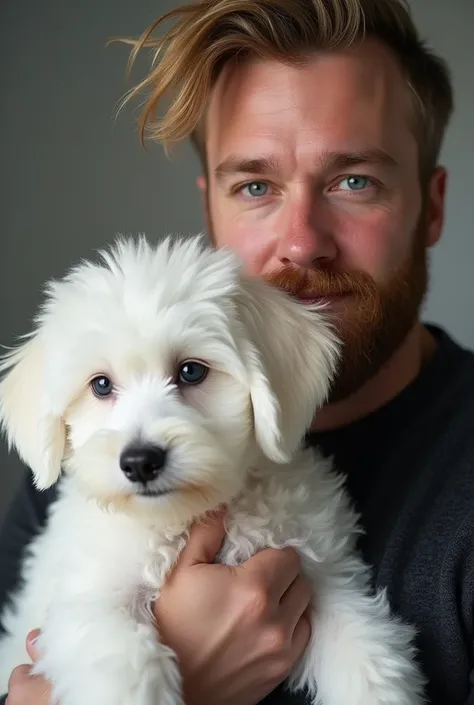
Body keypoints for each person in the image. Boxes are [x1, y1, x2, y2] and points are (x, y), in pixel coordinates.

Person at [1, 0, 474, 703]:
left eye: (354, 181)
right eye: (256, 185)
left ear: (432, 207)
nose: (303, 239)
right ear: (209, 210)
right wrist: (185, 680)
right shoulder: (87, 481)